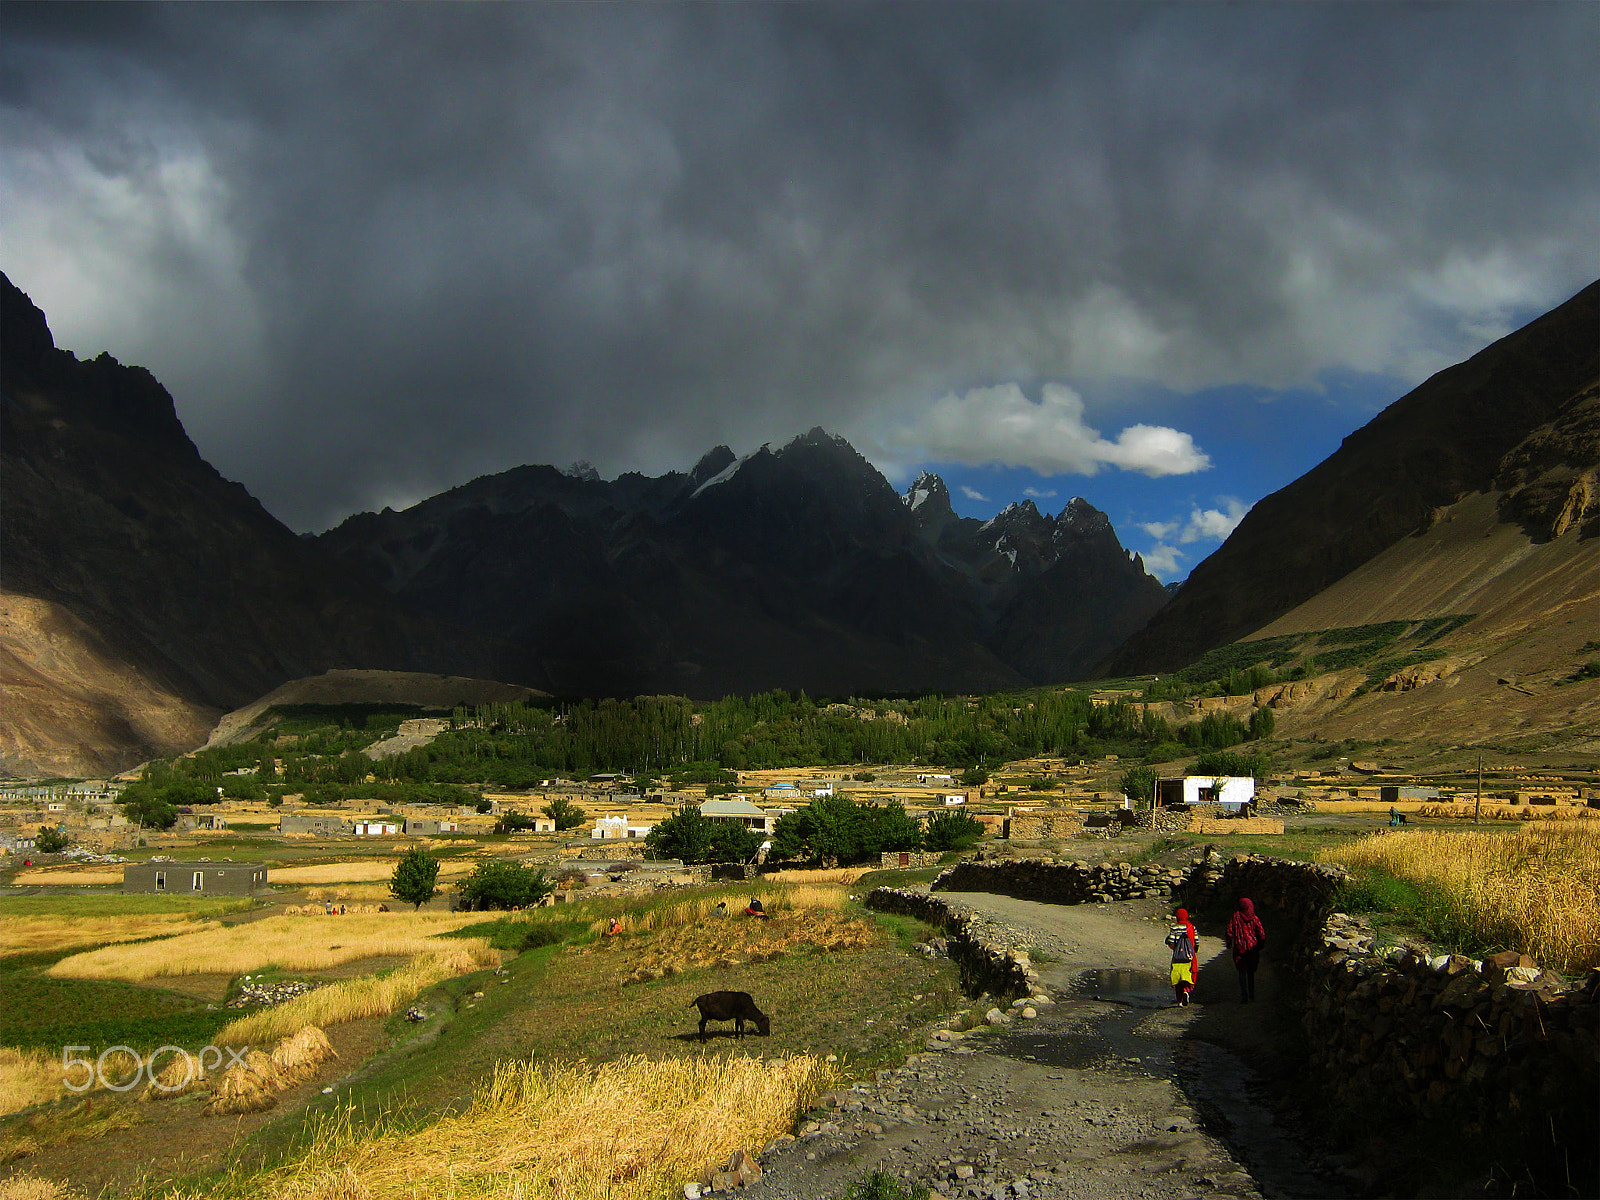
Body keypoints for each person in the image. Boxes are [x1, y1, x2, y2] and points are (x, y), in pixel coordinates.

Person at [1225, 897, 1266, 1001]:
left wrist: (1229, 943)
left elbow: (1229, 931)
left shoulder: (1236, 917)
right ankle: (1252, 994)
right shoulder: (1254, 918)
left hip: (1240, 949)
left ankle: (1244, 995)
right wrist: (1260, 945)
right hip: (1252, 949)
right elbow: (1261, 934)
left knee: (1242, 972)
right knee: (1251, 972)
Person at [1166, 907, 1199, 1006]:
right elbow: (1196, 942)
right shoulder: (1191, 927)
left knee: (1178, 977)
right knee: (1188, 975)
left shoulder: (1174, 928)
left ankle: (1179, 1000)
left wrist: (1177, 950)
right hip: (1189, 957)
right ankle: (1186, 990)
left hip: (1177, 957)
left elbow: (1171, 942)